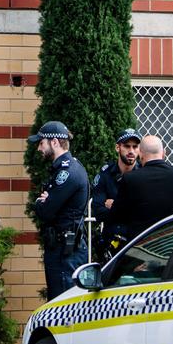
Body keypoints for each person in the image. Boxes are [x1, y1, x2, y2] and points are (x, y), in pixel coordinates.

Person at [28, 121, 89, 300]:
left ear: (54, 142)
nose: (39, 148)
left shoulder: (67, 172)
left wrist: (41, 201)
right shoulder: (63, 169)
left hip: (66, 251)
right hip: (61, 248)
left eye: (41, 143)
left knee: (63, 304)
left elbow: (45, 211)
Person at [109, 134, 173, 239]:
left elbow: (117, 216)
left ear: (140, 155)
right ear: (164, 153)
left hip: (142, 246)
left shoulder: (131, 179)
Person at [91, 128, 141, 259]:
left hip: (138, 242)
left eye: (135, 147)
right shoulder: (105, 174)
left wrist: (115, 206)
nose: (131, 151)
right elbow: (98, 212)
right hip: (112, 243)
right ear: (117, 148)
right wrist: (131, 210)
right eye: (127, 146)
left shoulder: (144, 173)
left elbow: (145, 212)